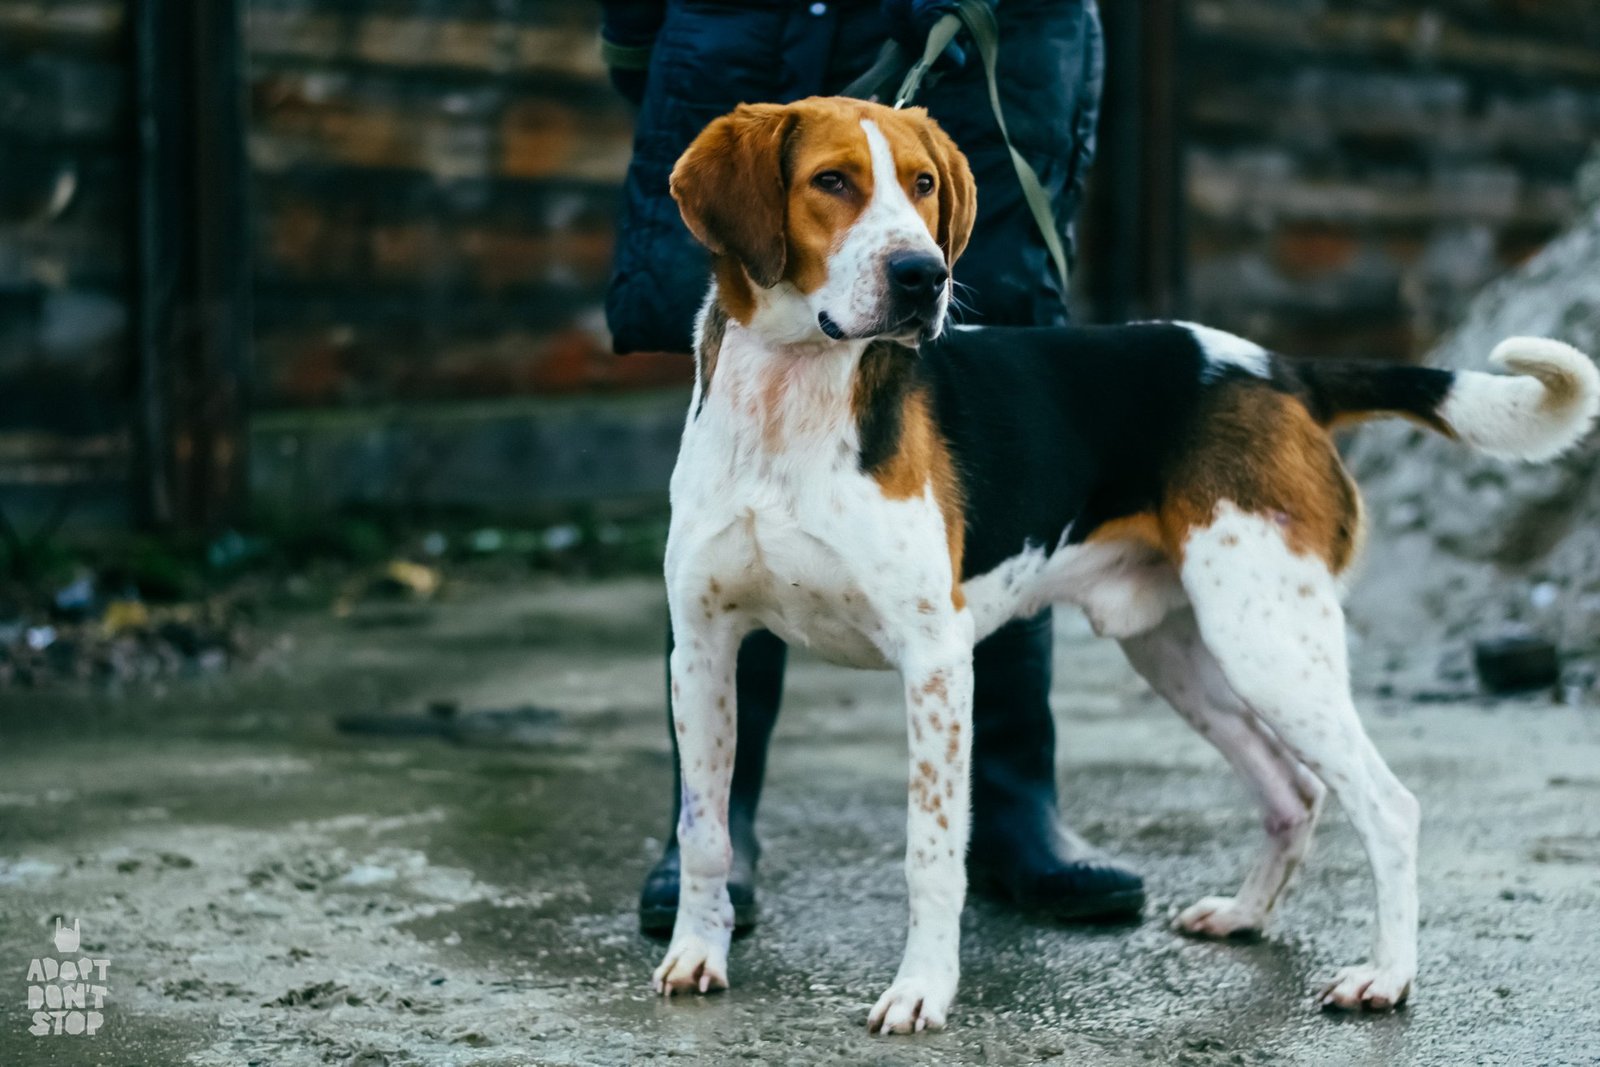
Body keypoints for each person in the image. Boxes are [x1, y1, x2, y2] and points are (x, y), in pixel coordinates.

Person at [600, 0, 1144, 936]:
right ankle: (712, 827)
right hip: (756, 28)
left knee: (1000, 430)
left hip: (991, 42)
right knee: (734, 503)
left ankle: (1012, 807)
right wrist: (636, 30)